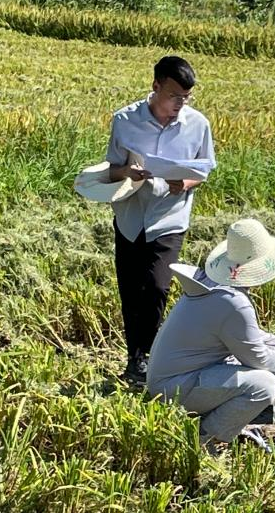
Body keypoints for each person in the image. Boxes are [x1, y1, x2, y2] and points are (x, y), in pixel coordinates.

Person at [105, 56, 216, 383]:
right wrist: (128, 172)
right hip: (131, 216)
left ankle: (150, 358)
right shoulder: (125, 120)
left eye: (186, 97)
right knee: (131, 290)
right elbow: (110, 169)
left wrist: (187, 183)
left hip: (170, 217)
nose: (180, 103)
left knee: (156, 287)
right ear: (155, 87)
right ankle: (134, 359)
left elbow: (205, 169)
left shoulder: (198, 124)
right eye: (174, 96)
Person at [146, 219, 275, 450]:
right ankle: (204, 439)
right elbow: (259, 358)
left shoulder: (215, 287)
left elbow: (244, 336)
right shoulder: (234, 303)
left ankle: (211, 426)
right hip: (173, 389)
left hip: (169, 380)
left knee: (243, 366)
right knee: (263, 385)